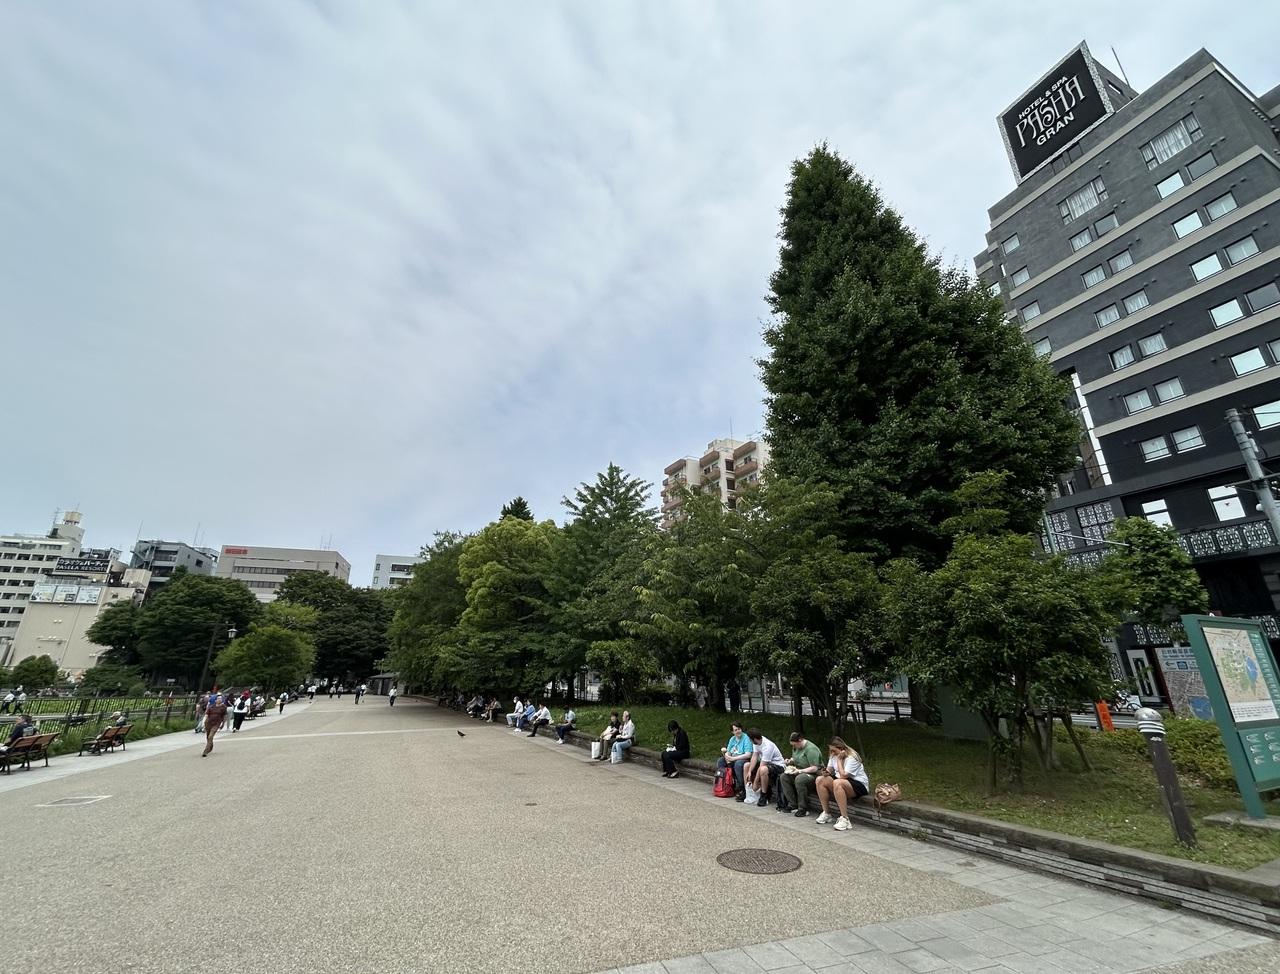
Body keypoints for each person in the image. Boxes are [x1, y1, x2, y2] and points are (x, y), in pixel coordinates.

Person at [814, 736, 870, 831]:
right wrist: (825, 772)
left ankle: (845, 819)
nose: (832, 753)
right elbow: (829, 770)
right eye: (830, 750)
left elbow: (844, 775)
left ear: (841, 749)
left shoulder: (852, 757)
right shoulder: (833, 756)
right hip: (841, 781)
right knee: (820, 780)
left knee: (837, 782)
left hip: (858, 784)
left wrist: (839, 760)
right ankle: (826, 813)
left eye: (834, 751)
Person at [780, 731, 824, 817]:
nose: (794, 747)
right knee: (784, 777)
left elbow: (814, 768)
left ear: (800, 740)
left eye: (795, 745)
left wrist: (800, 771)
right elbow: (796, 757)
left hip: (814, 774)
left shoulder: (811, 749)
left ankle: (803, 808)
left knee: (800, 779)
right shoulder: (796, 747)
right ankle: (792, 804)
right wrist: (790, 761)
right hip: (799, 770)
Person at [744, 728, 786, 809]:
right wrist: (749, 771)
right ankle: (747, 792)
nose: (749, 741)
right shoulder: (756, 743)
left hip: (778, 766)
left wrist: (756, 782)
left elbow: (762, 766)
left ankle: (764, 795)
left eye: (750, 739)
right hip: (766, 765)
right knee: (746, 765)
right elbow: (754, 756)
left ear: (754, 739)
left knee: (763, 769)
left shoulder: (767, 746)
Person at [716, 722, 754, 801]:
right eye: (735, 730)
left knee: (738, 764)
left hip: (743, 759)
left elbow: (748, 754)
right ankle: (724, 784)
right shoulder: (732, 739)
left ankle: (742, 789)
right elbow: (729, 752)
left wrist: (733, 759)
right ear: (732, 732)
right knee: (721, 761)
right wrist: (727, 756)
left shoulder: (746, 738)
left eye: (739, 729)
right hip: (733, 758)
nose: (738, 731)